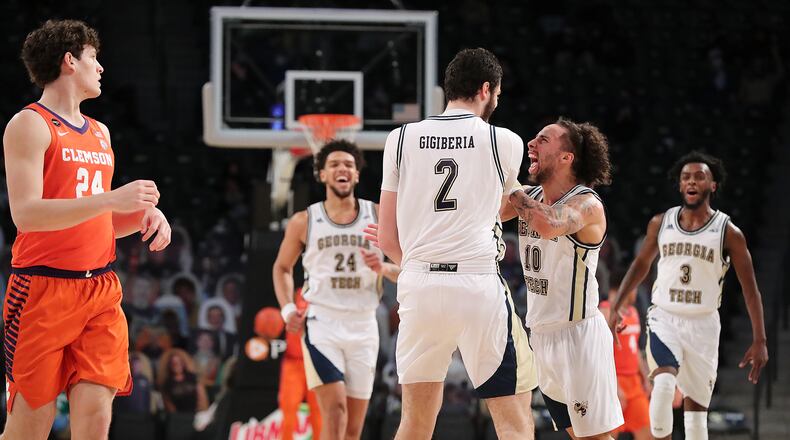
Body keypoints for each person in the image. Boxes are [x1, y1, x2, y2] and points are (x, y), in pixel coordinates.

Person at [1, 19, 171, 440]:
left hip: (99, 290)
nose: (100, 67)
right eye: (93, 57)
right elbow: (27, 215)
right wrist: (113, 199)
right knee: (30, 428)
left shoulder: (101, 132)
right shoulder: (29, 124)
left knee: (96, 420)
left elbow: (96, 220)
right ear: (69, 61)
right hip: (42, 290)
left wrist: (144, 216)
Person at [378, 48, 537, 440]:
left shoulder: (400, 138)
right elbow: (490, 209)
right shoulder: (505, 141)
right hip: (476, 285)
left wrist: (414, 266)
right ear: (486, 89)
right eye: (497, 94)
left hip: (418, 285)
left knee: (414, 423)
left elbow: (386, 235)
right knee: (515, 418)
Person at [607, 151, 768, 440]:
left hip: (704, 324)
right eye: (686, 177)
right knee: (664, 386)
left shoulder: (728, 232)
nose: (691, 181)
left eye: (699, 176)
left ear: (713, 185)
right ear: (680, 185)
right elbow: (642, 263)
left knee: (696, 423)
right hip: (665, 318)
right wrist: (617, 305)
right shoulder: (661, 222)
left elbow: (750, 288)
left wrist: (760, 340)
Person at [508, 117, 622, 439]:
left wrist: (508, 184)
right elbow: (481, 210)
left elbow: (548, 223)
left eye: (543, 139)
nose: (531, 143)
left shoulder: (586, 204)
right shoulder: (529, 196)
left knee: (596, 438)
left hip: (578, 336)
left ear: (566, 157)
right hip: (541, 336)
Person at [273, 140, 385, 440]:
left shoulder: (379, 215)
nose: (342, 168)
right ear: (321, 174)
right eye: (334, 164)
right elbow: (281, 268)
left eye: (349, 164)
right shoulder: (304, 221)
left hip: (364, 325)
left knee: (352, 430)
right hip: (322, 323)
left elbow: (407, 265)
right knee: (334, 412)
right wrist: (287, 309)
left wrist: (384, 267)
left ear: (357, 175)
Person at [599, 273, 651, 440]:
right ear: (625, 287)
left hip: (634, 383)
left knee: (647, 433)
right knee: (609, 436)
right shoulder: (605, 311)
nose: (636, 292)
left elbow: (634, 350)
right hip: (614, 381)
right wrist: (614, 387)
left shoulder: (633, 312)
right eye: (634, 287)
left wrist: (645, 377)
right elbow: (600, 355)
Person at [278, 288, 322, 440]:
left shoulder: (325, 293)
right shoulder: (297, 293)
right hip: (293, 362)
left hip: (317, 361)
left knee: (319, 413)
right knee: (288, 411)